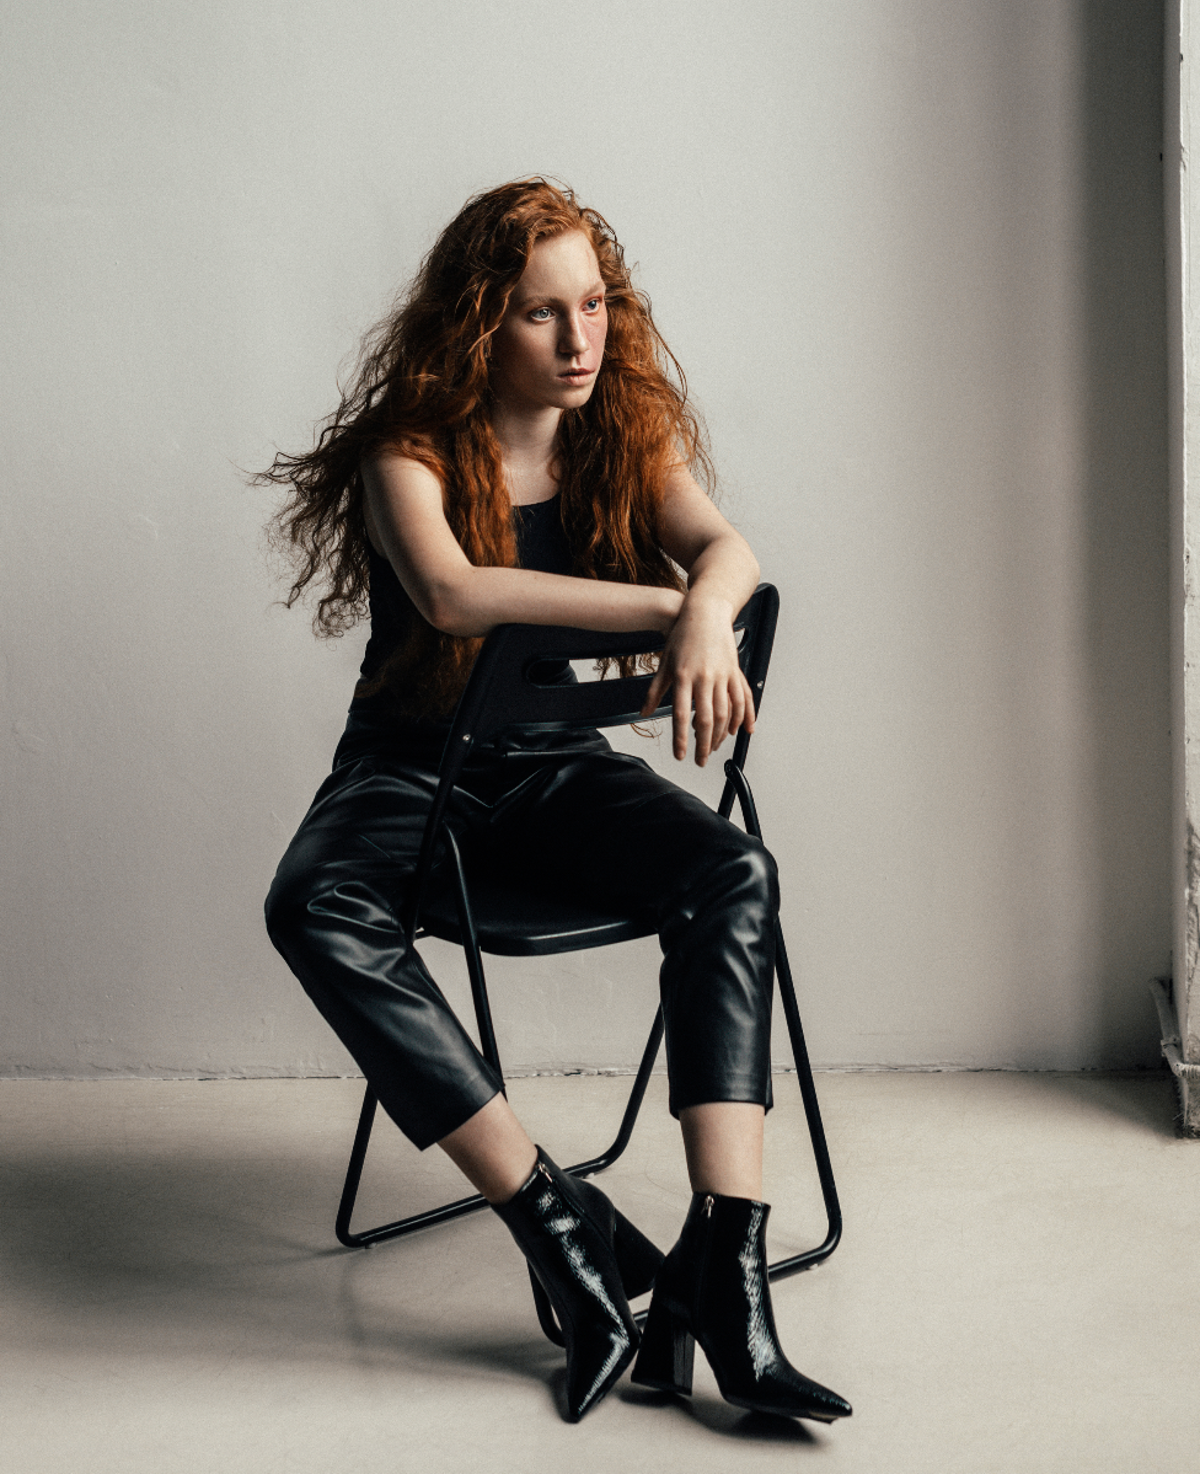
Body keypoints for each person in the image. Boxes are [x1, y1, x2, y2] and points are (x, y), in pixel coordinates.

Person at [259, 178, 851, 1425]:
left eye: (593, 306)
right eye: (542, 314)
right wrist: (672, 609)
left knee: (733, 870)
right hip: (409, 771)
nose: (580, 341)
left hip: (554, 770)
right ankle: (556, 1218)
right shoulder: (407, 452)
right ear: (481, 325)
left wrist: (709, 603)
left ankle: (723, 1265)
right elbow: (456, 594)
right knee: (312, 906)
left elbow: (730, 550)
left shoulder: (619, 429)